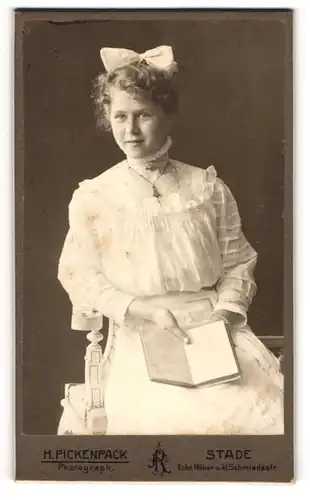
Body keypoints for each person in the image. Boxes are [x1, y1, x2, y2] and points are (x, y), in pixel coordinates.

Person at [57, 45, 284, 435]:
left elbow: (237, 263)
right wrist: (144, 310)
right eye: (120, 117)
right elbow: (81, 276)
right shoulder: (95, 196)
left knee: (267, 418)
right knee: (170, 424)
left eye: (144, 115)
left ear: (169, 115)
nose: (130, 131)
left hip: (216, 333)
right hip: (141, 338)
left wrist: (223, 315)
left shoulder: (207, 187)